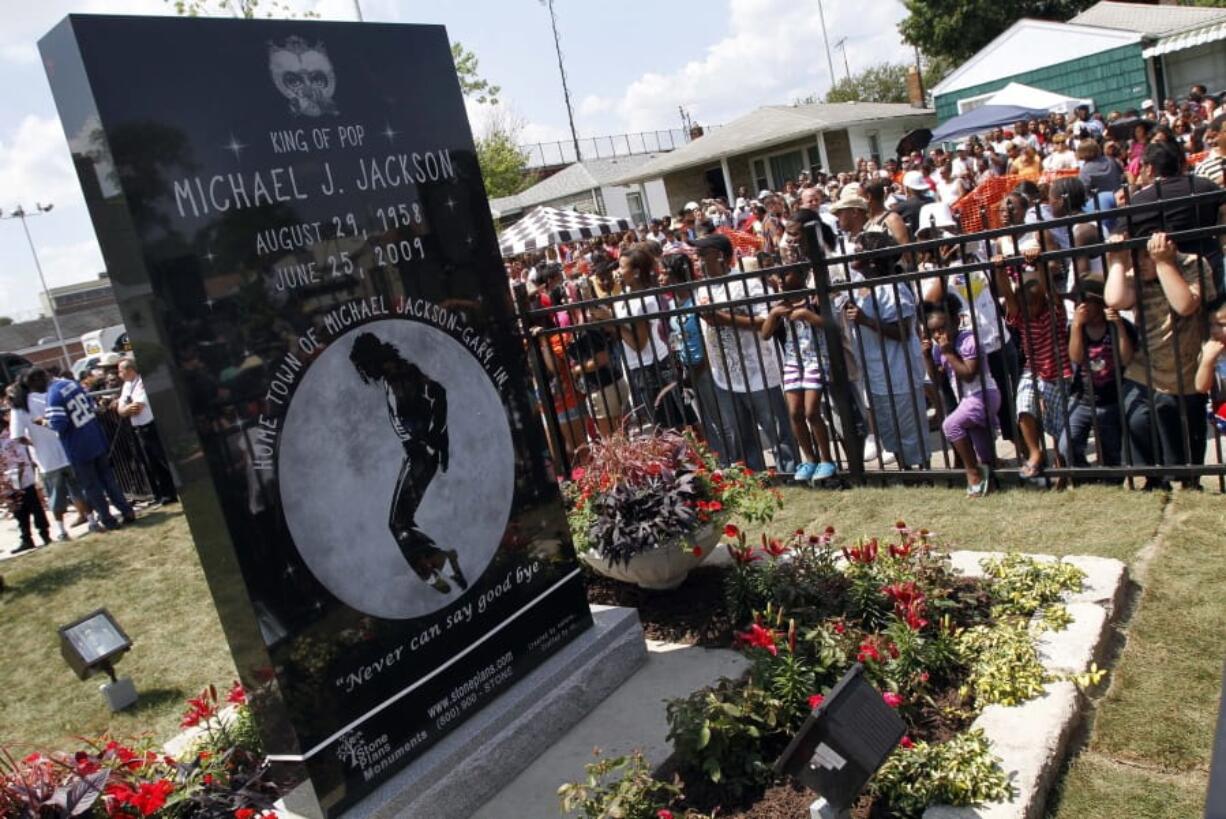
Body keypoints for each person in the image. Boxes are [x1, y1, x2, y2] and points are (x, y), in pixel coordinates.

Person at [349, 332, 467, 594]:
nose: (365, 374)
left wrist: (433, 439)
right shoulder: (401, 372)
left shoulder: (399, 376)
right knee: (400, 522)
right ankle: (441, 563)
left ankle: (432, 569)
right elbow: (436, 395)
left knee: (398, 523)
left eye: (363, 366)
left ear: (371, 360)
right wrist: (438, 439)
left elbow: (435, 397)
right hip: (420, 453)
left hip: (420, 455)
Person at [1106, 231, 1216, 487]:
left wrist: (1163, 262)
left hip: (1184, 366)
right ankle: (1154, 478)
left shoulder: (1192, 264)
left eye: (1147, 256)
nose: (1141, 262)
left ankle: (1188, 480)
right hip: (1146, 366)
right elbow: (1115, 299)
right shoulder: (1135, 273)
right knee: (1137, 418)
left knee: (1184, 431)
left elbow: (1185, 305)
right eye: (1137, 256)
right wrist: (1118, 261)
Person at [695, 244, 797, 473]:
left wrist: (723, 318)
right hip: (723, 375)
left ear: (720, 255)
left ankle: (790, 472)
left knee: (776, 428)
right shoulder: (702, 288)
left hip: (757, 371)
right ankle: (755, 476)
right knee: (741, 433)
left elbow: (768, 319)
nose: (698, 262)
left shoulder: (747, 283)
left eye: (703, 255)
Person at [844, 232, 930, 469]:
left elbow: (903, 331)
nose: (853, 253)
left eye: (859, 250)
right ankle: (906, 473)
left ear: (872, 259)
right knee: (890, 431)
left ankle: (924, 474)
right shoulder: (864, 288)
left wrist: (865, 320)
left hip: (898, 373)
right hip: (876, 374)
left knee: (909, 430)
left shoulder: (893, 288)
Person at [992, 234, 1072, 481]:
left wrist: (1038, 265)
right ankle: (1036, 453)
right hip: (1034, 369)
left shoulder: (1054, 312)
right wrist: (1000, 270)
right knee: (1024, 406)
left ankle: (1061, 459)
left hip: (1060, 370)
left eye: (1034, 299)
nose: (1029, 305)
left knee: (1059, 420)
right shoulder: (1022, 318)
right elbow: (1007, 294)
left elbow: (1049, 289)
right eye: (1024, 301)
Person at [761, 261, 837, 484]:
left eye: (786, 275)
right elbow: (765, 334)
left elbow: (831, 326)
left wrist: (807, 315)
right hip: (793, 361)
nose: (781, 279)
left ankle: (826, 460)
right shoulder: (780, 304)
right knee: (795, 412)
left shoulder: (814, 300)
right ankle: (810, 459)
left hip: (816, 358)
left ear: (801, 276)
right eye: (779, 276)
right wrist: (774, 314)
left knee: (812, 411)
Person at [921, 296, 998, 496]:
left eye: (942, 328)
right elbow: (937, 381)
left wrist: (949, 354)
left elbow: (969, 373)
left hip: (982, 395)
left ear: (956, 321)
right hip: (968, 399)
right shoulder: (940, 349)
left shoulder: (968, 340)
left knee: (950, 425)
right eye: (934, 331)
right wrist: (929, 356)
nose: (939, 335)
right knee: (982, 448)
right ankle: (991, 480)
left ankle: (972, 474)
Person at [40, 371, 135, 531]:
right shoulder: (72, 384)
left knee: (91, 486)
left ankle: (108, 519)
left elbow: (58, 424)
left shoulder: (53, 395)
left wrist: (43, 422)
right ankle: (127, 511)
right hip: (95, 436)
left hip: (78, 446)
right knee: (108, 480)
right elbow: (91, 405)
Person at [1062, 279, 1135, 471]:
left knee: (1113, 452)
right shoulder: (1075, 327)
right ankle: (1085, 474)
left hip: (1111, 399)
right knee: (1067, 446)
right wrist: (1077, 326)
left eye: (1085, 301)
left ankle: (1113, 479)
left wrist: (1118, 326)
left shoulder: (1119, 325)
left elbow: (1125, 359)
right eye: (1077, 302)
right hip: (1082, 398)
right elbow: (1076, 358)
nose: (1080, 306)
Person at [8, 369, 90, 539]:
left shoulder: (19, 407)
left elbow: (17, 436)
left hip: (46, 459)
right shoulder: (48, 396)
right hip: (67, 450)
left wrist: (33, 443)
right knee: (78, 489)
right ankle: (92, 520)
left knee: (55, 496)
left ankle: (61, 530)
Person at [115, 358, 178, 505]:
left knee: (162, 459)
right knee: (150, 463)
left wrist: (125, 409)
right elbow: (121, 409)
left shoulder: (142, 383)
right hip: (138, 428)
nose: (119, 374)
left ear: (130, 370)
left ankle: (176, 489)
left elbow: (137, 407)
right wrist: (124, 410)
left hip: (150, 425)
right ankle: (163, 494)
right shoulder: (126, 386)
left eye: (121, 371)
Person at [0, 411, 52, 551]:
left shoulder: (10, 435)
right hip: (7, 481)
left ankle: (44, 534)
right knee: (18, 510)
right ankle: (26, 538)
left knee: (34, 506)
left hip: (22, 476)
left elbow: (22, 455)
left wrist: (20, 473)